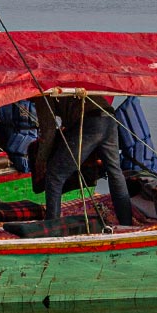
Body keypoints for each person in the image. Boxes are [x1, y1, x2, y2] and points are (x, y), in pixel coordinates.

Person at [34, 93, 133, 230]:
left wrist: (41, 160)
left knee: (54, 175)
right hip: (108, 118)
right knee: (114, 171)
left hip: (89, 123)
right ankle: (127, 223)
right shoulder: (59, 81)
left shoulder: (41, 93)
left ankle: (51, 226)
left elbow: (48, 131)